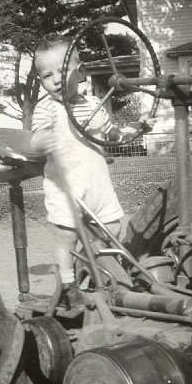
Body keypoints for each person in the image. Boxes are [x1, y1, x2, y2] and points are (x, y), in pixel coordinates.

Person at [31, 33, 149, 308]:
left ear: (81, 72)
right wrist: (41, 143)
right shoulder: (46, 109)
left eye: (61, 71)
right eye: (47, 76)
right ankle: (67, 284)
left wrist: (138, 127)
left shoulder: (94, 105)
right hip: (65, 186)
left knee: (111, 229)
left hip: (97, 184)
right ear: (42, 82)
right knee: (66, 237)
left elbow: (112, 136)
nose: (56, 80)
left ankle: (100, 274)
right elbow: (35, 139)